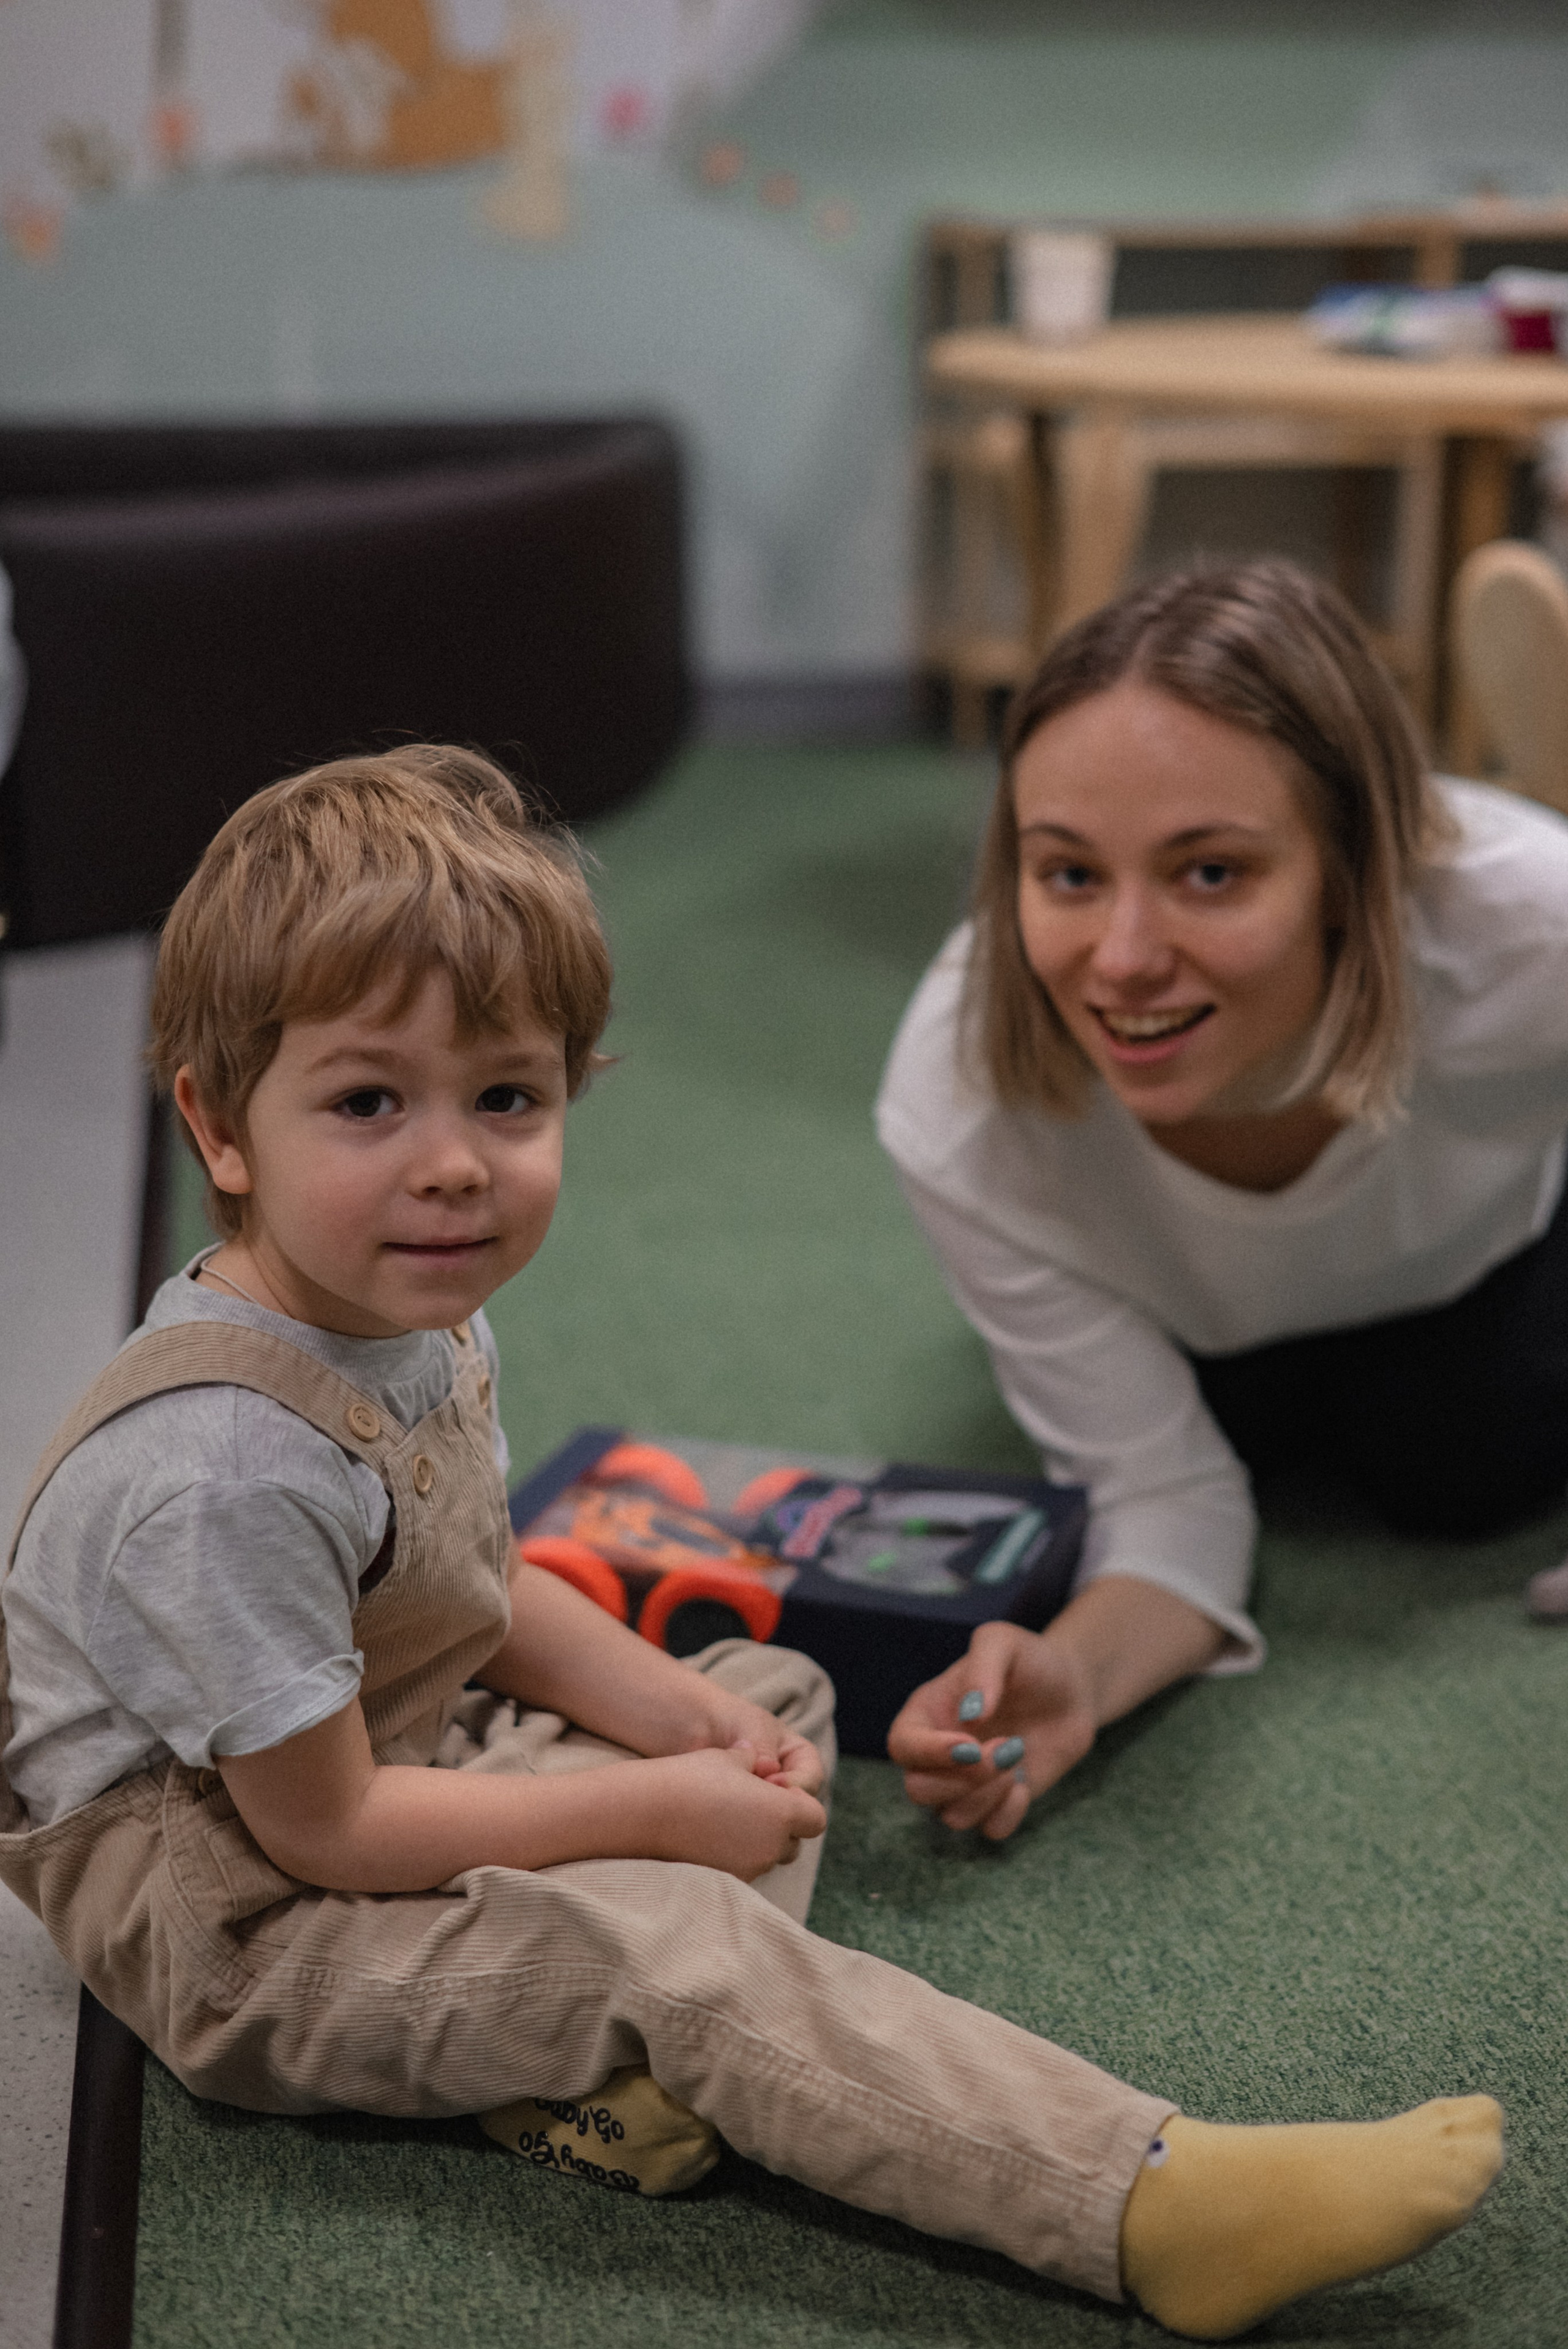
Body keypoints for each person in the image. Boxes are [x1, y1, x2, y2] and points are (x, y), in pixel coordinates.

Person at [0, 745, 1501, 2342]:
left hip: (369, 1737)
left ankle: (593, 2062)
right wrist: (648, 1805)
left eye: (505, 1096)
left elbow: (477, 1588)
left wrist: (677, 1721)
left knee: (764, 1686)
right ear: (220, 1130)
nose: (453, 1159)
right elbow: (331, 1833)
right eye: (369, 1100)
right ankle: (1143, 2198)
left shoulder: (407, 1314)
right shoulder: (221, 1474)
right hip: (243, 1926)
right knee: (686, 1938)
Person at [878, 556, 1568, 1844]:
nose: (1124, 961)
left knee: (1453, 1465)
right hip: (1213, 1314)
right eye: (1069, 874)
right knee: (1256, 1442)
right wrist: (1072, 1674)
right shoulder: (956, 1099)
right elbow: (1169, 1502)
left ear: (1352, 872)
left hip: (1490, 1234)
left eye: (1209, 874)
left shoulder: (1529, 932)